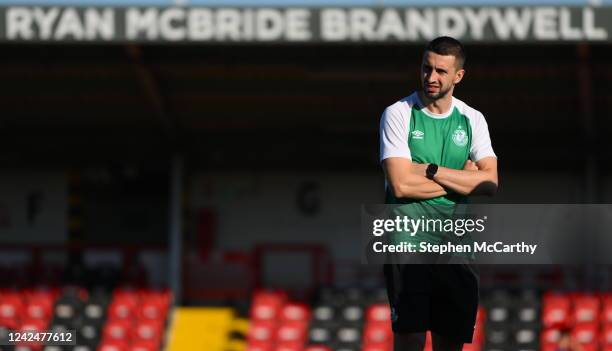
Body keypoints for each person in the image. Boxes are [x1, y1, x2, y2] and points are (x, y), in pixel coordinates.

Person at [379, 36, 498, 351]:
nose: (431, 78)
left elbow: (489, 184)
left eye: (441, 72)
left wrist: (428, 169)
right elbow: (400, 185)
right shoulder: (398, 113)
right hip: (408, 241)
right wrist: (462, 177)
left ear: (458, 76)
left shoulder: (473, 119)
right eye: (426, 68)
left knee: (450, 342)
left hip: (457, 247)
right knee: (411, 338)